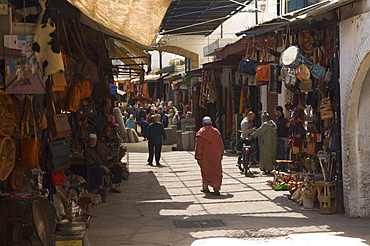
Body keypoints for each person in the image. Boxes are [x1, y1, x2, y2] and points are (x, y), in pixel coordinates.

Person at [83, 134, 123, 203]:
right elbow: (91, 162)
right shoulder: (87, 150)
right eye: (89, 141)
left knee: (117, 168)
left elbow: (109, 153)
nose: (91, 142)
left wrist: (111, 157)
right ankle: (100, 188)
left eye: (92, 140)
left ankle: (112, 187)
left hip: (106, 164)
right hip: (96, 166)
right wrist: (103, 167)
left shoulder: (102, 146)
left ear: (96, 140)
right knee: (96, 171)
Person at [195, 116, 224, 195]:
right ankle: (216, 185)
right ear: (211, 123)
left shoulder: (200, 134)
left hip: (205, 156)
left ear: (203, 123)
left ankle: (205, 186)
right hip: (215, 155)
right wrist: (221, 153)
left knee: (205, 171)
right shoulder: (216, 132)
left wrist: (198, 157)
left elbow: (199, 147)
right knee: (216, 171)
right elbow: (220, 144)